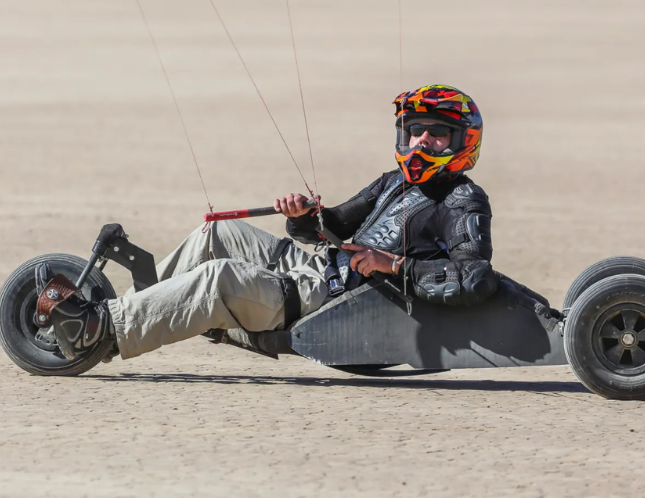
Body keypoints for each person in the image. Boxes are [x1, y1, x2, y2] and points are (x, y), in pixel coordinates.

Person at [49, 84, 498, 361]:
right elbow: (333, 227)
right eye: (415, 129)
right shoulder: (391, 182)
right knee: (219, 234)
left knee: (219, 279)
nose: (422, 140)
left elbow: (475, 279)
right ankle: (119, 316)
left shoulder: (463, 201)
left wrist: (392, 264)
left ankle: (98, 329)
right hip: (320, 276)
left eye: (437, 132)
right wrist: (305, 217)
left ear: (463, 143)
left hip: (334, 307)